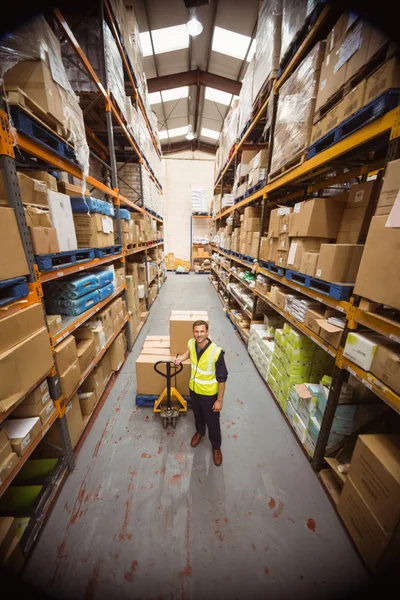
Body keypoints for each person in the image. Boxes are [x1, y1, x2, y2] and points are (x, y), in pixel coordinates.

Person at [174, 320, 228, 466]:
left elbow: (222, 379)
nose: (199, 335)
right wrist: (180, 359)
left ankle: (216, 446)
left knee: (212, 421)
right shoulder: (192, 343)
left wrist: (219, 400)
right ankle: (200, 432)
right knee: (197, 415)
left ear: (207, 332)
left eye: (202, 331)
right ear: (193, 332)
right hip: (194, 390)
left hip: (209, 395)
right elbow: (188, 353)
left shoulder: (216, 352)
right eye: (196, 331)